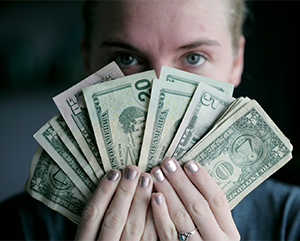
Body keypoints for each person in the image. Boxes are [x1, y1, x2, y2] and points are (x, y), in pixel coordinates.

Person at [1, 0, 300, 240]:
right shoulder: (19, 226)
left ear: (237, 62)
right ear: (88, 62)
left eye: (194, 57)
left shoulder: (293, 219)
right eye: (126, 58)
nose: (157, 88)